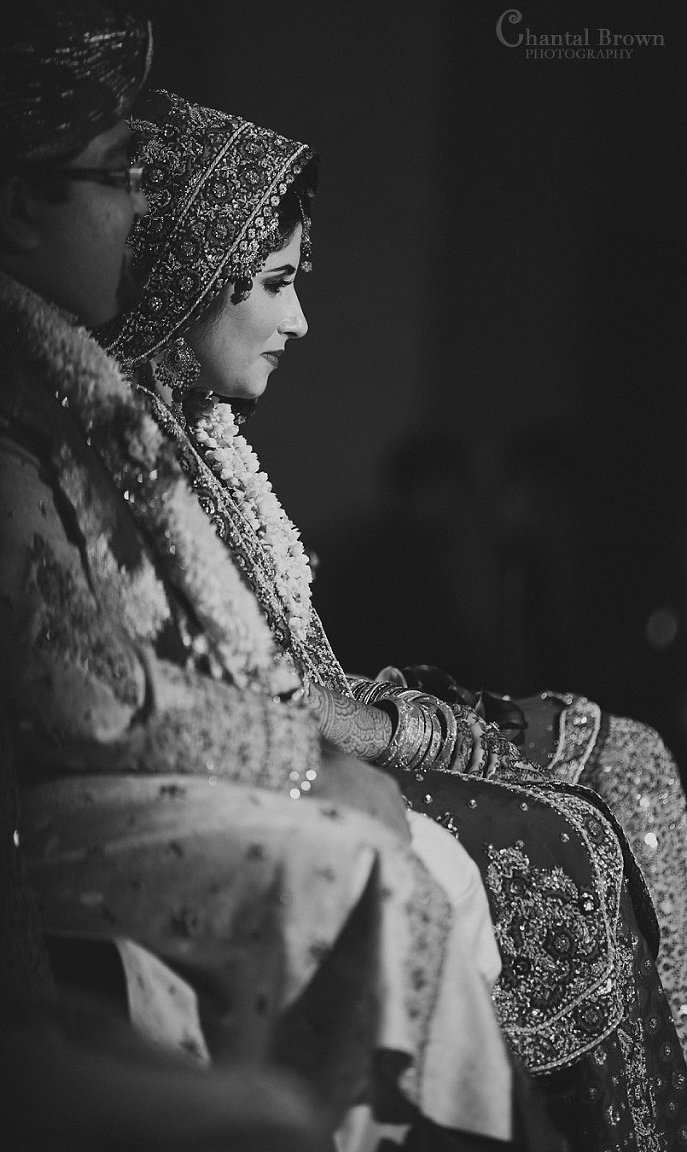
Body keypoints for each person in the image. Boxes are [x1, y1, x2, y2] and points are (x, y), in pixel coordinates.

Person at [0, 8, 537, 1150]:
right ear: (19, 204)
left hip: (127, 775)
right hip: (22, 829)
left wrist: (345, 741)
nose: (144, 204)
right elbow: (82, 695)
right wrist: (308, 754)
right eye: (125, 173)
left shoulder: (72, 404)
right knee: (370, 864)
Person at [105, 86, 687, 1150]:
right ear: (192, 279)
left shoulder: (206, 438)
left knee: (629, 758)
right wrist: (418, 734)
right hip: (266, 757)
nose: (300, 320)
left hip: (328, 724)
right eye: (276, 285)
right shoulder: (132, 452)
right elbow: (232, 694)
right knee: (572, 836)